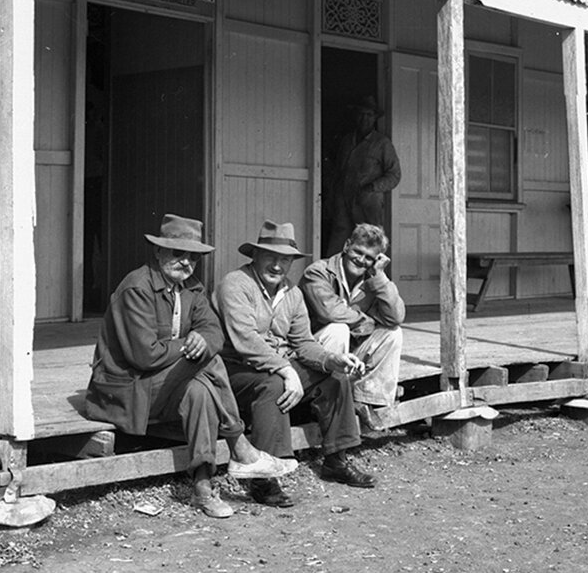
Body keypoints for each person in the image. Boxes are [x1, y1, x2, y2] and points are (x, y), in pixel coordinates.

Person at [85, 214, 295, 518]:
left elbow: (213, 331)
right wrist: (190, 342)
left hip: (165, 384)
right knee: (208, 362)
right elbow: (145, 356)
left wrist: (202, 339)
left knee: (199, 390)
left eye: (193, 258)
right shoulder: (137, 288)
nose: (186, 262)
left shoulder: (192, 288)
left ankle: (202, 488)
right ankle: (240, 447)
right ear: (158, 252)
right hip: (125, 390)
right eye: (177, 253)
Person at [215, 220, 376, 509]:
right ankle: (263, 478)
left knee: (334, 377)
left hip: (276, 366)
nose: (278, 266)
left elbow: (302, 342)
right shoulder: (236, 284)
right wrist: (286, 369)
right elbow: (246, 341)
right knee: (274, 384)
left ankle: (336, 459)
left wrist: (331, 359)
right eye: (271, 257)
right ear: (256, 256)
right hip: (234, 369)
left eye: (285, 260)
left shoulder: (292, 293)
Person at [300, 223, 405, 436]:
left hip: (347, 354)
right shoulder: (319, 272)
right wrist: (364, 321)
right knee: (338, 329)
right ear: (347, 246)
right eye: (357, 251)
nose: (361, 260)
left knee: (392, 334)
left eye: (368, 257)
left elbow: (396, 317)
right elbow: (329, 311)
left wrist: (380, 278)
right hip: (313, 353)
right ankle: (326, 400)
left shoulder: (371, 279)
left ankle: (364, 400)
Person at [325, 96, 401, 256]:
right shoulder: (347, 141)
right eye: (361, 114)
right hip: (344, 199)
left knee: (370, 241)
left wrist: (373, 187)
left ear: (374, 118)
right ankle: (331, 277)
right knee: (339, 239)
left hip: (368, 202)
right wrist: (332, 198)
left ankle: (374, 278)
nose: (364, 118)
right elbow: (338, 172)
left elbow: (394, 175)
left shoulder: (381, 143)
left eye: (369, 115)